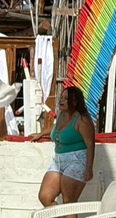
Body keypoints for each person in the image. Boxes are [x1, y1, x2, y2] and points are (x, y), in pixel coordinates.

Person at [32, 86, 95, 216]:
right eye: (61, 97)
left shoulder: (82, 119)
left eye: (66, 98)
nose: (61, 100)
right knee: (45, 197)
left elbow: (90, 144)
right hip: (59, 161)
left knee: (68, 203)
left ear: (75, 101)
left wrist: (89, 168)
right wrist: (40, 134)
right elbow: (56, 128)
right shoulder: (61, 115)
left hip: (77, 162)